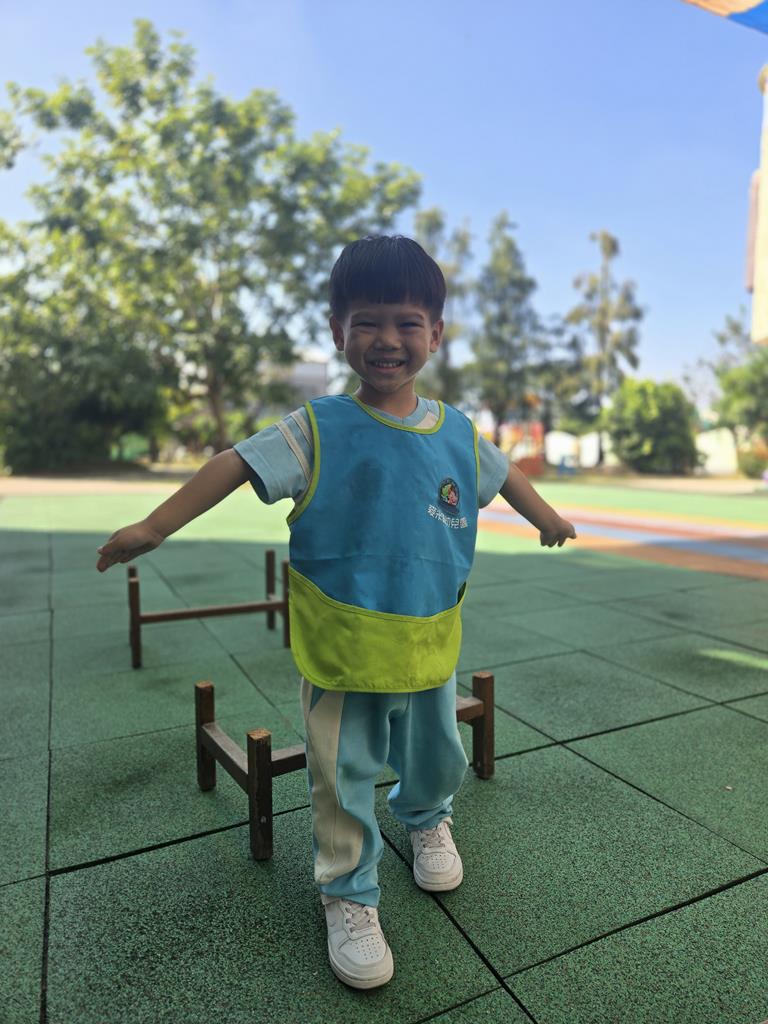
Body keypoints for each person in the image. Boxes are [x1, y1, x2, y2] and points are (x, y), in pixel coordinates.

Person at [96, 235, 576, 991]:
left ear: (435, 333)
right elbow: (236, 462)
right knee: (342, 774)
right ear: (337, 331)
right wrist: (156, 525)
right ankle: (348, 892)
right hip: (344, 645)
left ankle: (427, 819)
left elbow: (504, 473)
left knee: (434, 751)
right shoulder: (316, 427)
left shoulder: (457, 432)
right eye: (367, 321)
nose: (387, 339)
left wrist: (545, 516)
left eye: (407, 322)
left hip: (427, 637)